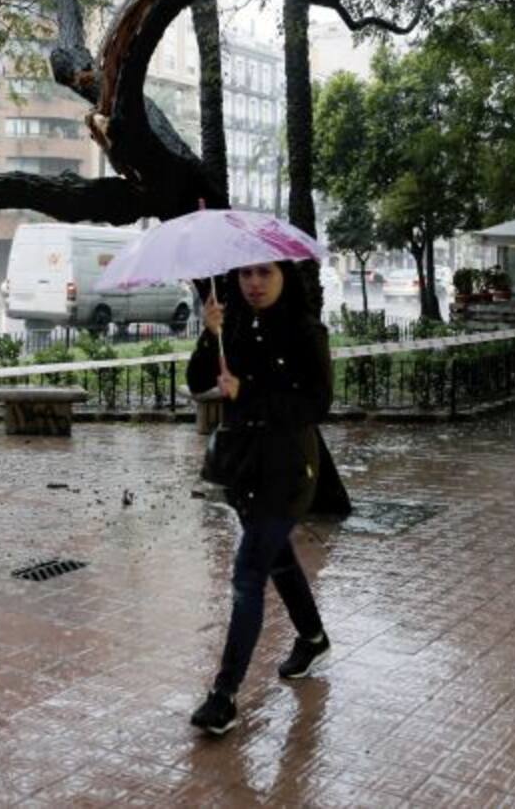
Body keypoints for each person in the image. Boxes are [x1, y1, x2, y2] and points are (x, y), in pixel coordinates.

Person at [186, 260, 334, 736]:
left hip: (288, 468)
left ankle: (224, 695)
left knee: (249, 572)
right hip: (244, 465)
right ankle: (313, 637)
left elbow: (317, 403)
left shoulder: (306, 331)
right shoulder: (233, 325)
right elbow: (196, 381)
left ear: (284, 276)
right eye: (246, 273)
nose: (254, 283)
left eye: (265, 273)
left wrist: (247, 391)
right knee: (276, 557)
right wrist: (209, 334)